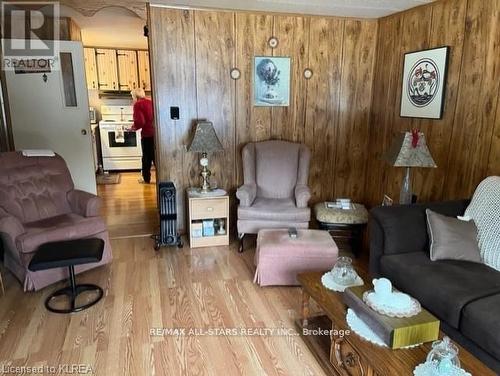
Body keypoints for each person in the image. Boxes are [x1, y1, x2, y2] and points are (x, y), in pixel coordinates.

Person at [130, 88, 155, 183]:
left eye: (132, 97)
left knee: (146, 158)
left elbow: (140, 121)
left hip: (147, 134)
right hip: (155, 134)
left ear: (135, 96)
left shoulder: (137, 104)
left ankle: (146, 179)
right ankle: (162, 178)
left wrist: (133, 128)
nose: (133, 99)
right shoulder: (151, 102)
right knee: (155, 156)